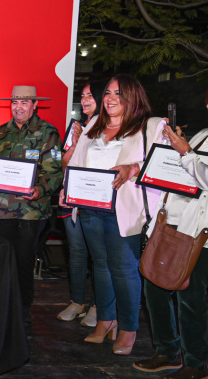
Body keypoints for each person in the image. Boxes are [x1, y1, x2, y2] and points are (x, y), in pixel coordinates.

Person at [63, 74, 166, 355]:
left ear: (133, 96)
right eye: (107, 92)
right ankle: (106, 320)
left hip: (123, 211)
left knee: (123, 270)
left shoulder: (150, 126)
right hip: (89, 207)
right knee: (101, 266)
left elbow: (163, 165)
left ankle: (128, 327)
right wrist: (67, 188)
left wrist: (131, 168)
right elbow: (77, 162)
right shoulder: (94, 125)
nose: (110, 98)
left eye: (118, 93)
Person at [132, 97, 208, 379]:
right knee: (154, 285)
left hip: (199, 231)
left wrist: (186, 152)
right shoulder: (203, 134)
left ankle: (195, 364)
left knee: (191, 298)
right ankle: (166, 351)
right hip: (171, 223)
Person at [0, 85, 63, 326]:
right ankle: (5, 306)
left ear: (35, 105)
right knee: (6, 259)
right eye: (15, 102)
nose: (19, 106)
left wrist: (40, 190)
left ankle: (23, 309)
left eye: (25, 102)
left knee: (24, 260)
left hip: (32, 209)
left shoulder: (48, 132)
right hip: (4, 208)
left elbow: (55, 171)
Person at [57, 81, 104, 326]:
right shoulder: (77, 126)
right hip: (71, 198)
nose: (85, 100)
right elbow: (64, 163)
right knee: (76, 253)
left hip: (93, 200)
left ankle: (98, 306)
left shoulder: (107, 127)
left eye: (90, 96)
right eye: (83, 96)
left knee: (98, 256)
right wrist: (75, 145)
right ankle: (77, 301)